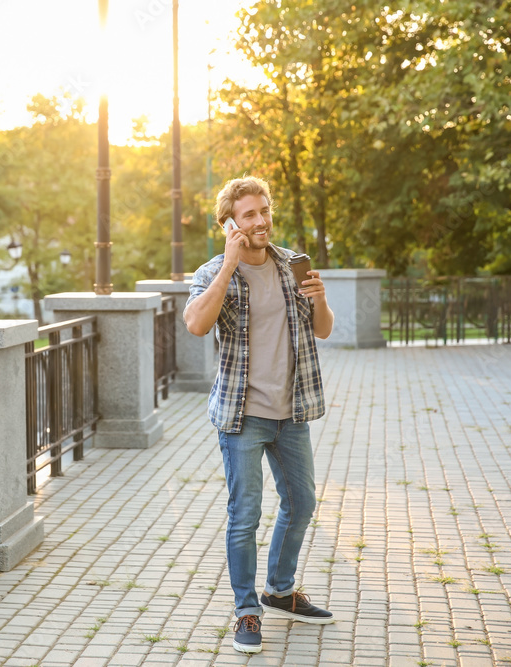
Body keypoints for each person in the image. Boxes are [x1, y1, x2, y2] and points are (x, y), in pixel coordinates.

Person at [183, 176, 336, 654]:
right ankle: (247, 611)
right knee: (245, 515)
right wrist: (229, 266)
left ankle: (280, 589)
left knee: (302, 503)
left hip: (292, 411)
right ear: (230, 222)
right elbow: (195, 324)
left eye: (265, 210)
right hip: (243, 415)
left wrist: (321, 299)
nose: (261, 220)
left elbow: (325, 331)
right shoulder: (212, 273)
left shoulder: (292, 265)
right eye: (249, 214)